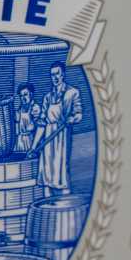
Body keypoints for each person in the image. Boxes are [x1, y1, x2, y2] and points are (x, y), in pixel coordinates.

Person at [36, 64, 85, 192]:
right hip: (48, 135)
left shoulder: (72, 93)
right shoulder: (47, 97)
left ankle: (65, 195)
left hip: (62, 134)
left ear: (63, 74)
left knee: (61, 165)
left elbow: (79, 114)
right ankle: (47, 196)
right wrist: (35, 145)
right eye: (52, 75)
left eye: (57, 74)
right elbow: (42, 121)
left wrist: (72, 119)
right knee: (47, 167)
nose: (55, 77)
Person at [13, 82, 39, 155]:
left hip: (30, 141)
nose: (23, 98)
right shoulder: (19, 109)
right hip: (19, 142)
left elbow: (38, 128)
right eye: (21, 96)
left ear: (31, 94)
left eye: (25, 94)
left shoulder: (35, 108)